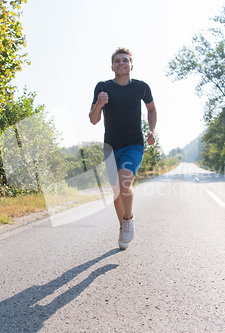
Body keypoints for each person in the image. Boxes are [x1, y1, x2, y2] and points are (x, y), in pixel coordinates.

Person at [89, 47, 157, 250]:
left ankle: (129, 219)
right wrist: (99, 105)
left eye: (125, 60)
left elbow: (152, 109)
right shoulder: (102, 87)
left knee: (124, 183)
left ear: (131, 65)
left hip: (134, 144)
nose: (121, 63)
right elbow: (93, 120)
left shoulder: (142, 87)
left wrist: (152, 130)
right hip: (110, 147)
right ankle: (124, 225)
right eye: (117, 61)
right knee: (116, 191)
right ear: (112, 67)